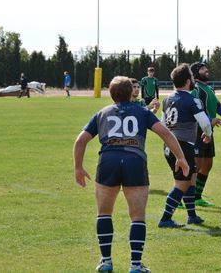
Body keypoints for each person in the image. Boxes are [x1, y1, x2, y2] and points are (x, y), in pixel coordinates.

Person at [73, 76, 189, 273]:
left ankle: (106, 261)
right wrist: (181, 157)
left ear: (111, 94)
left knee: (104, 213)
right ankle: (135, 265)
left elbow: (81, 140)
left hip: (108, 161)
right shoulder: (143, 111)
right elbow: (166, 133)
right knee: (137, 216)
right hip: (134, 162)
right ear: (131, 92)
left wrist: (78, 167)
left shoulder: (102, 112)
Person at [157, 64, 213, 228]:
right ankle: (165, 218)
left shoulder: (167, 99)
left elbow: (161, 124)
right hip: (183, 146)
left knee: (187, 180)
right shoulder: (191, 99)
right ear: (189, 80)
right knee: (181, 184)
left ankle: (192, 216)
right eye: (192, 77)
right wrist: (208, 135)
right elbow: (204, 122)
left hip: (168, 145)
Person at [190, 62, 221, 206]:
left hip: (208, 130)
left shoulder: (209, 89)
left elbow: (218, 106)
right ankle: (183, 196)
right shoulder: (196, 89)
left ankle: (197, 196)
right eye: (202, 69)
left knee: (208, 163)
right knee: (196, 165)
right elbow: (198, 109)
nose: (206, 70)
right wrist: (210, 120)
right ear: (195, 73)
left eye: (206, 68)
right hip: (198, 131)